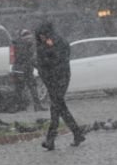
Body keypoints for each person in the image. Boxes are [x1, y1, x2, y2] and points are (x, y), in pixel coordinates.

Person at [34, 22, 85, 150]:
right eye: (39, 36)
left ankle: (51, 139)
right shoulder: (44, 44)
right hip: (51, 80)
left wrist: (47, 56)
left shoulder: (58, 43)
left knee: (56, 108)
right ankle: (77, 134)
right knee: (60, 108)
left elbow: (58, 60)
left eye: (42, 35)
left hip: (58, 79)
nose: (41, 38)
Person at [12, 29, 46, 112]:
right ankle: (36, 106)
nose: (29, 39)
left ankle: (20, 106)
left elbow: (19, 58)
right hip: (26, 69)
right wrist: (38, 67)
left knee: (20, 88)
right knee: (31, 88)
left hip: (19, 69)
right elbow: (31, 59)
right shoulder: (29, 45)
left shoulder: (17, 44)